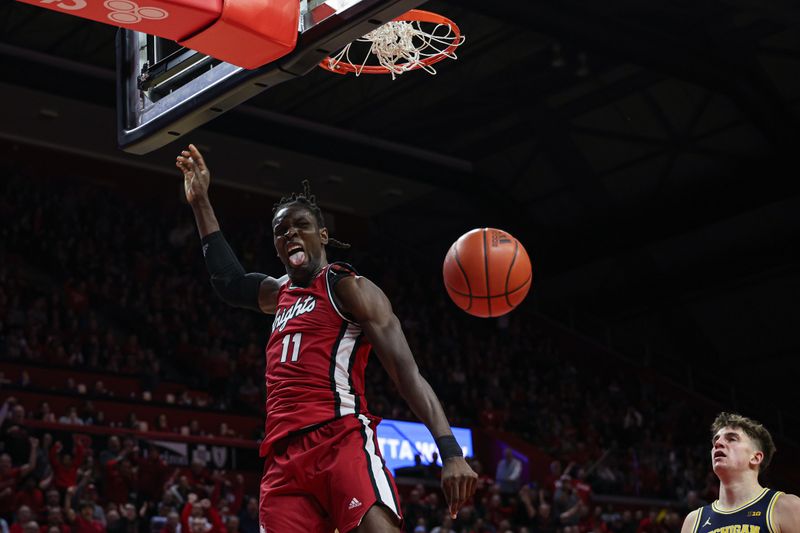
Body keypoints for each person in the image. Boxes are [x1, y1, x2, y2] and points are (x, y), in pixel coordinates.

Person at [176, 145, 477, 533]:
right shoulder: (277, 292)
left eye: (300, 225)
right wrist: (201, 201)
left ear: (322, 234)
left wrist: (450, 451)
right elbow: (229, 283)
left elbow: (406, 374)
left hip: (340, 439)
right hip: (282, 460)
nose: (289, 234)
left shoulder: (348, 288)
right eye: (280, 231)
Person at [681, 412, 800, 533]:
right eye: (715, 440)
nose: (717, 444)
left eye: (732, 439)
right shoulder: (693, 522)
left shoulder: (786, 507)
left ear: (755, 458)